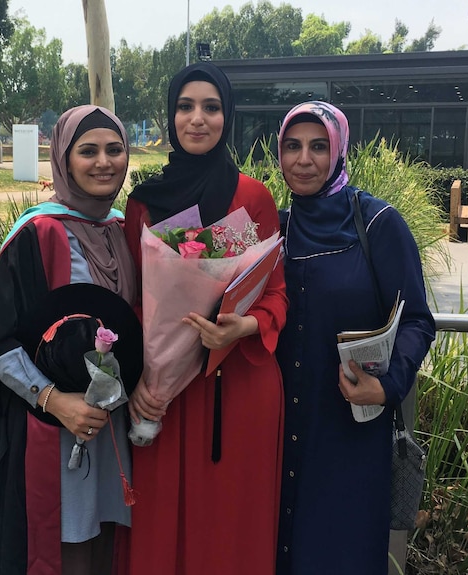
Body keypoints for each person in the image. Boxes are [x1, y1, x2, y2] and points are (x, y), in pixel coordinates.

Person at [124, 62, 288, 575]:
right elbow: (134, 301)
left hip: (236, 388)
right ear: (169, 116)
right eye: (185, 106)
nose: (198, 119)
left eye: (211, 107)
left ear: (227, 116)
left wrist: (243, 326)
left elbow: (275, 291)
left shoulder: (253, 198)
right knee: (160, 522)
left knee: (230, 529)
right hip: (166, 391)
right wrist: (135, 379)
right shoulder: (144, 205)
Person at [0, 105, 138, 575]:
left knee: (110, 541)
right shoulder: (39, 234)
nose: (104, 162)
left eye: (115, 149)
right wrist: (55, 401)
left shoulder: (125, 230)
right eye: (88, 151)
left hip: (115, 422)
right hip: (54, 424)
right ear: (63, 158)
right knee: (64, 543)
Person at [274, 101, 435, 575]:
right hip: (280, 429)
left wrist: (387, 386)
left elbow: (418, 320)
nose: (304, 159)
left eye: (319, 146)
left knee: (340, 551)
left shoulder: (378, 224)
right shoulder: (276, 226)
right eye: (292, 146)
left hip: (349, 430)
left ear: (340, 149)